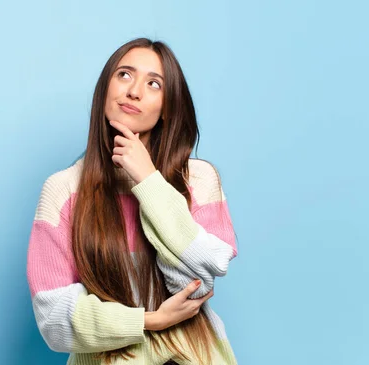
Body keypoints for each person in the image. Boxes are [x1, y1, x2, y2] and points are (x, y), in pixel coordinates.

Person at [26, 37, 239, 365]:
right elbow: (53, 318)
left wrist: (149, 182)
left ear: (167, 108)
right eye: (124, 75)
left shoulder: (198, 180)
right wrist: (148, 321)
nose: (134, 91)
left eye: (154, 83)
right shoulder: (63, 190)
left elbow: (194, 287)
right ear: (104, 90)